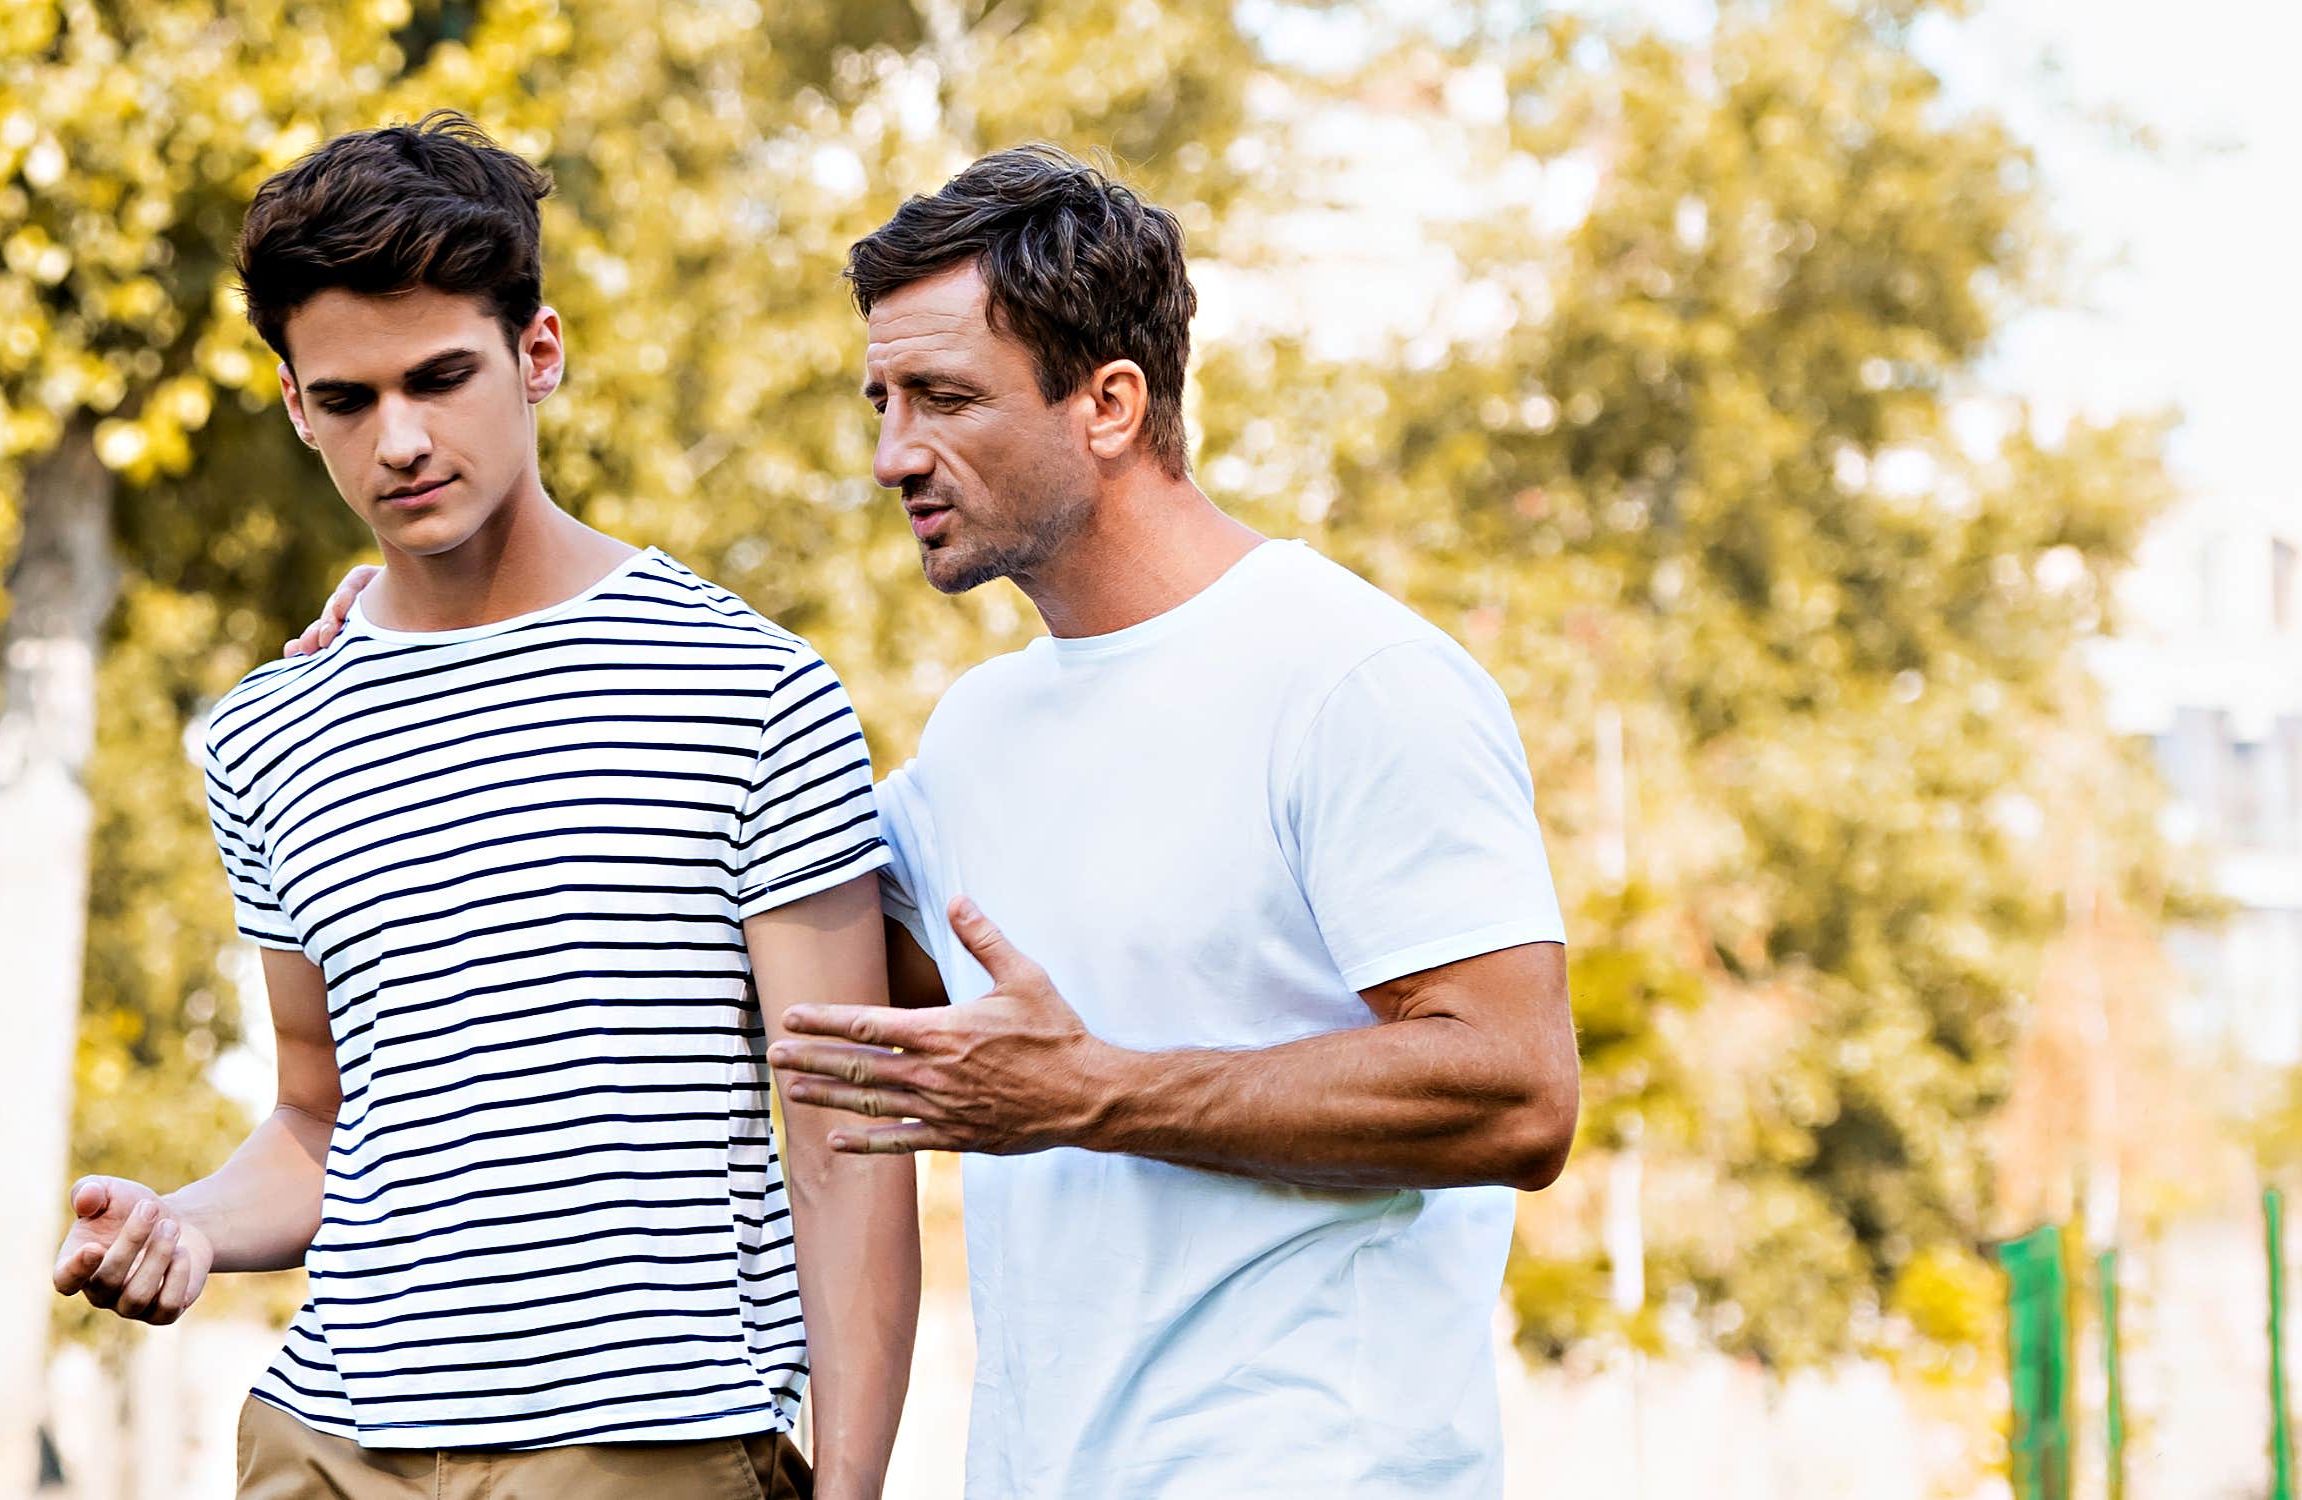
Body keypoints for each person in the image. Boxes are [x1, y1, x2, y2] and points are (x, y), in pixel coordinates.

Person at [297, 145, 1579, 1500]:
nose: (891, 454)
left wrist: (1099, 1094)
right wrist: (423, 623)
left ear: (1110, 403)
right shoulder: (980, 733)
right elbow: (744, 947)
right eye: (881, 400)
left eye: (943, 399)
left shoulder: (1350, 678)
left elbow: (1515, 1088)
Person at [55, 112, 918, 1500]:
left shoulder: (747, 686)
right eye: (346, 401)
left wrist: (857, 1488)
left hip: (646, 1442)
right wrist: (189, 1224)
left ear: (539, 356)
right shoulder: (267, 735)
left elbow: (840, 1141)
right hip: (326, 1441)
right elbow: (318, 1124)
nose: (398, 440)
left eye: (441, 378)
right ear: (295, 407)